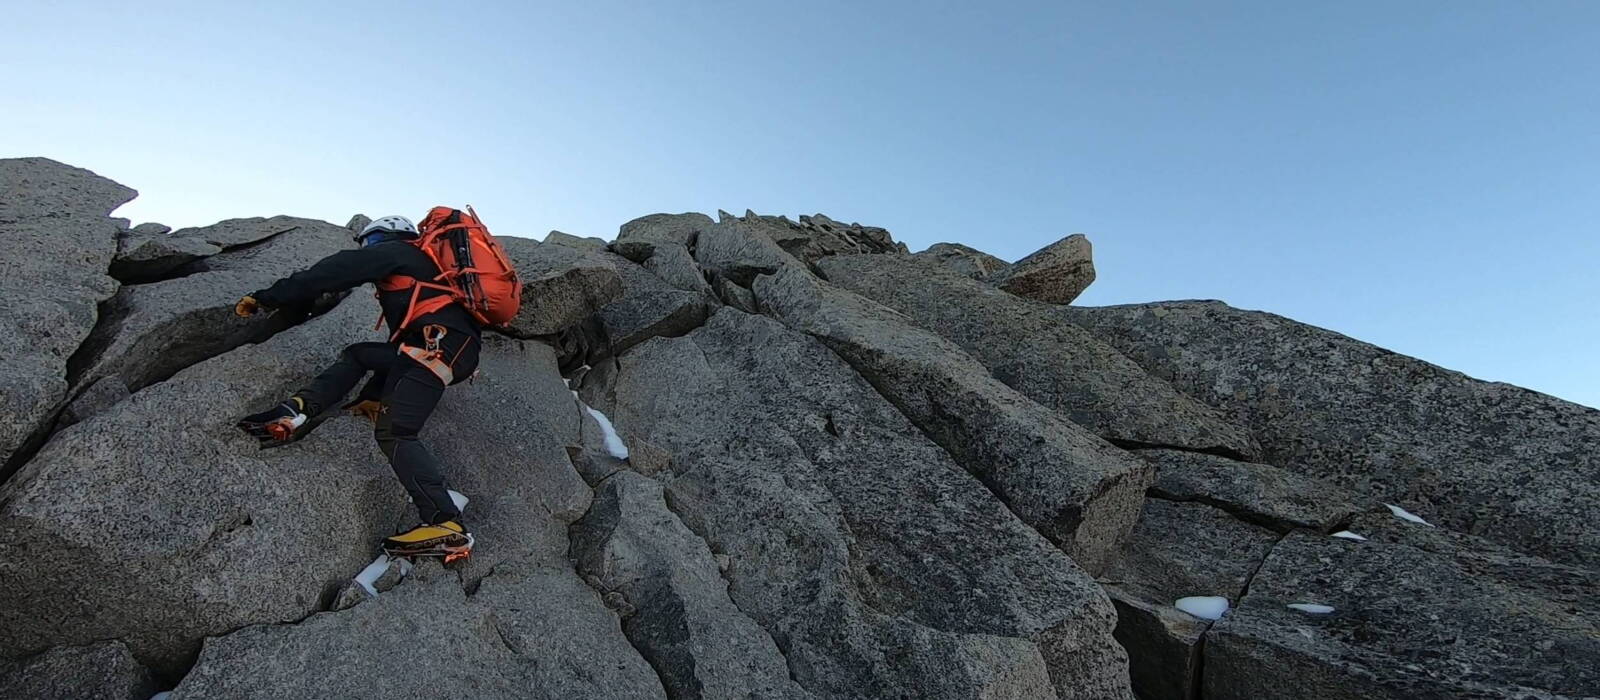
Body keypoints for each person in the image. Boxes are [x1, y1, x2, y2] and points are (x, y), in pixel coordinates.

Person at [233, 215, 480, 558]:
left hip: (436, 346)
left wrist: (269, 297)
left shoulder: (399, 252)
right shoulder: (426, 269)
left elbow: (336, 270)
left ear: (387, 237)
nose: (367, 249)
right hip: (439, 348)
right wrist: (372, 396)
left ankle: (446, 523)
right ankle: (299, 410)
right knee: (361, 354)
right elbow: (403, 349)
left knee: (396, 433)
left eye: (370, 242)